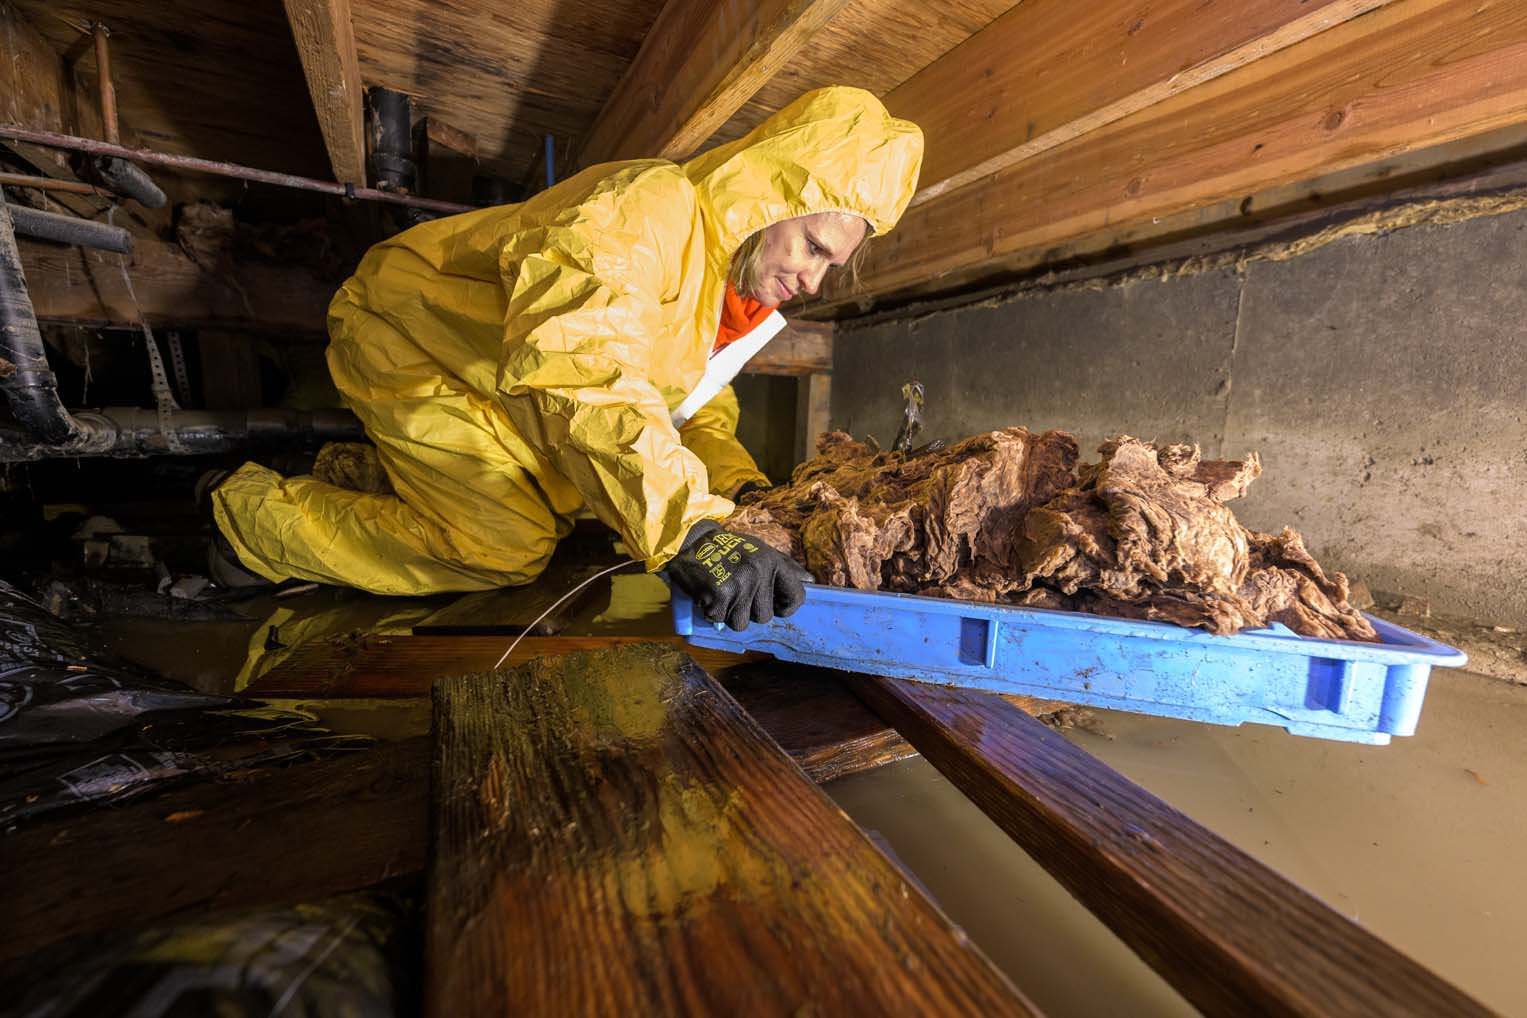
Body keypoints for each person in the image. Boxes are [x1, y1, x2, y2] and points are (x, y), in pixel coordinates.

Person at [209, 87, 923, 629]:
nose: (813, 283)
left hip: (498, 374)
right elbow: (579, 365)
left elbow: (694, 410)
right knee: (505, 545)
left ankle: (376, 483)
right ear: (766, 197)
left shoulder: (724, 292)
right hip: (414, 335)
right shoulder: (646, 211)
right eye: (813, 249)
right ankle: (242, 525)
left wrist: (741, 495)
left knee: (577, 496)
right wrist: (687, 526)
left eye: (833, 267)